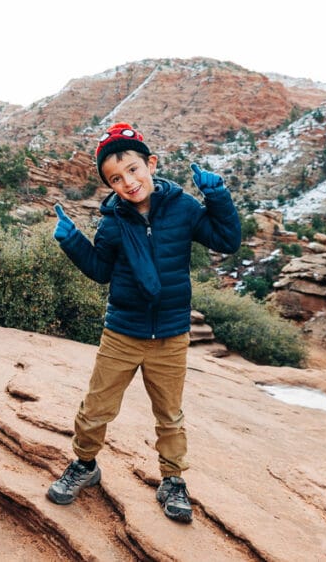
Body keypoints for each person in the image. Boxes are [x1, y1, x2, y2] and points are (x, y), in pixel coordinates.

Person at [47, 122, 241, 523]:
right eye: (116, 179)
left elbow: (227, 240)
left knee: (170, 416)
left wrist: (216, 194)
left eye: (134, 170)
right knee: (96, 408)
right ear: (109, 185)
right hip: (122, 332)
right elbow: (101, 270)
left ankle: (172, 481)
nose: (129, 182)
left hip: (170, 334)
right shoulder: (114, 222)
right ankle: (85, 465)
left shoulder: (184, 208)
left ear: (151, 164)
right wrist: (72, 241)